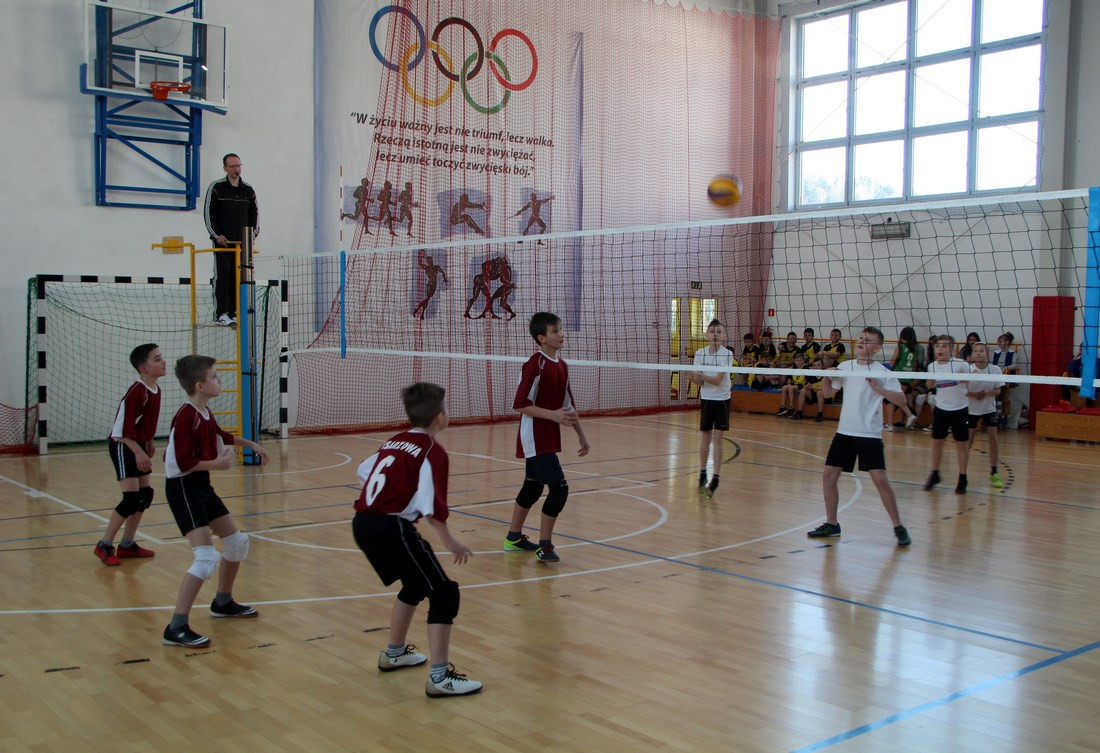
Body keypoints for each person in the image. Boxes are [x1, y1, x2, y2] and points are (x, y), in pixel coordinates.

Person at [352, 382, 482, 698]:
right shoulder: (432, 451)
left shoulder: (395, 441)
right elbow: (432, 505)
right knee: (445, 592)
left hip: (363, 523)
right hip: (391, 528)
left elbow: (364, 470)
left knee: (414, 585)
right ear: (439, 418)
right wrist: (450, 541)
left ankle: (394, 653)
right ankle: (440, 678)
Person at [162, 355, 269, 648]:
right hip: (183, 488)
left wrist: (250, 444)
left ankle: (222, 602)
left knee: (237, 542)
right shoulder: (186, 416)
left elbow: (218, 435)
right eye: (214, 376)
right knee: (206, 557)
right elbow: (183, 461)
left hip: (201, 486)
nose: (219, 380)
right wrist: (216, 465)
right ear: (200, 385)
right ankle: (176, 626)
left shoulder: (204, 412)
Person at [807, 327, 911, 547]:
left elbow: (901, 401)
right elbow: (828, 394)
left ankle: (898, 526)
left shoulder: (883, 372)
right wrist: (826, 377)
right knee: (829, 476)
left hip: (869, 434)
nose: (862, 341)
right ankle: (832, 524)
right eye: (861, 338)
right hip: (844, 432)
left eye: (868, 340)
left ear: (878, 348)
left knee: (880, 479)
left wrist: (879, 388)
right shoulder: (846, 367)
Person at [504, 312, 590, 562]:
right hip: (534, 436)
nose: (561, 334)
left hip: (548, 436)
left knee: (532, 487)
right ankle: (545, 546)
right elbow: (520, 404)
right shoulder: (535, 364)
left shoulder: (562, 365)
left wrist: (582, 436)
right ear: (541, 338)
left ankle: (513, 538)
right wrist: (552, 415)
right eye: (555, 331)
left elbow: (568, 406)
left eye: (560, 329)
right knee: (559, 489)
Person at [95, 344, 167, 566]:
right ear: (143, 368)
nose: (163, 361)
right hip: (123, 445)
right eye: (157, 359)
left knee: (145, 495)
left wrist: (148, 441)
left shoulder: (155, 390)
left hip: (138, 445)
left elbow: (144, 422)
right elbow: (120, 431)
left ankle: (127, 544)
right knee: (131, 499)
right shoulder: (137, 391)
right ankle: (105, 544)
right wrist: (138, 452)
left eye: (161, 357)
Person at [204, 153, 259, 326]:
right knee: (223, 276)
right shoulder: (216, 188)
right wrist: (217, 235)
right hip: (223, 244)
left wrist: (252, 236)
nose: (237, 169)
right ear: (225, 168)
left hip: (242, 245)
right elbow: (209, 214)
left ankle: (234, 312)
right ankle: (221, 313)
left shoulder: (248, 190)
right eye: (232, 166)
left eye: (238, 165)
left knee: (239, 277)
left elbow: (255, 215)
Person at [688, 319, 735, 497]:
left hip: (722, 399)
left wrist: (698, 375)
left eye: (719, 331)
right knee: (705, 437)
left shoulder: (727, 354)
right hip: (706, 399)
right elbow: (699, 382)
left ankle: (715, 477)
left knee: (718, 439)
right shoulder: (700, 354)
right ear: (707, 335)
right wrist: (691, 377)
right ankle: (702, 474)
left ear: (724, 336)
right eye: (712, 331)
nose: (715, 334)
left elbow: (717, 381)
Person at [922, 335, 972, 494]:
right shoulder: (932, 366)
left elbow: (971, 381)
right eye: (937, 346)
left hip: (960, 409)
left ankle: (962, 477)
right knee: (937, 443)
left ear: (951, 349)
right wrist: (929, 383)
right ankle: (934, 474)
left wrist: (964, 380)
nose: (940, 349)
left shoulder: (961, 364)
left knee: (961, 444)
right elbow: (930, 384)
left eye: (944, 346)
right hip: (941, 409)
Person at [965, 342, 1006, 488]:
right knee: (968, 441)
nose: (978, 353)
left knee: (993, 438)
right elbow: (962, 390)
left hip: (989, 408)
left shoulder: (995, 370)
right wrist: (974, 394)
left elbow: (998, 390)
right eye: (975, 351)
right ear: (972, 354)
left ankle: (994, 472)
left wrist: (987, 393)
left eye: (981, 351)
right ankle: (962, 473)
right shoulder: (968, 370)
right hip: (971, 410)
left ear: (987, 354)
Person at [885, 326, 919, 431]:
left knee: (890, 400)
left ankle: (891, 424)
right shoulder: (916, 348)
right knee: (905, 398)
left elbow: (892, 362)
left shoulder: (900, 346)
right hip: (908, 377)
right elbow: (914, 366)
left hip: (898, 376)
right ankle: (908, 420)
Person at [412, 252, 449, 320]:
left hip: (433, 285)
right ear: (427, 261)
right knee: (427, 298)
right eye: (428, 260)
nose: (429, 262)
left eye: (430, 260)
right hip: (430, 284)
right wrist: (420, 257)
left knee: (427, 299)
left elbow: (442, 272)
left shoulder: (436, 267)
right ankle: (419, 311)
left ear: (431, 260)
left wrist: (444, 278)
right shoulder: (427, 267)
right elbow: (420, 264)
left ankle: (420, 312)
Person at [992, 332, 1017, 427]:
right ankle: (995, 405)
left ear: (1007, 342)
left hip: (1006, 375)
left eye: (1001, 341)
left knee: (1001, 386)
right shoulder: (996, 353)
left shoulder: (1012, 353)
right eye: (999, 342)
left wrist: (1005, 368)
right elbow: (993, 364)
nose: (999, 343)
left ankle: (999, 404)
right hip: (996, 374)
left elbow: (1014, 365)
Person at [793, 356, 826, 422]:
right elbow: (806, 386)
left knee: (819, 392)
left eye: (818, 365)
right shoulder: (810, 374)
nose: (816, 367)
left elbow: (825, 389)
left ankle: (820, 414)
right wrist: (805, 387)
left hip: (825, 396)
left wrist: (812, 387)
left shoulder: (826, 375)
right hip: (813, 395)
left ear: (822, 366)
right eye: (814, 365)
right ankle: (799, 412)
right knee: (803, 390)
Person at [777, 351, 807, 417]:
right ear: (794, 361)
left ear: (803, 361)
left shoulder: (806, 368)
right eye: (796, 360)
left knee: (790, 388)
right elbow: (790, 378)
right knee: (784, 387)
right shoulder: (794, 368)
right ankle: (783, 406)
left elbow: (807, 380)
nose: (798, 362)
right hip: (794, 384)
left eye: (800, 360)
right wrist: (789, 383)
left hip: (801, 384)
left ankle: (791, 407)